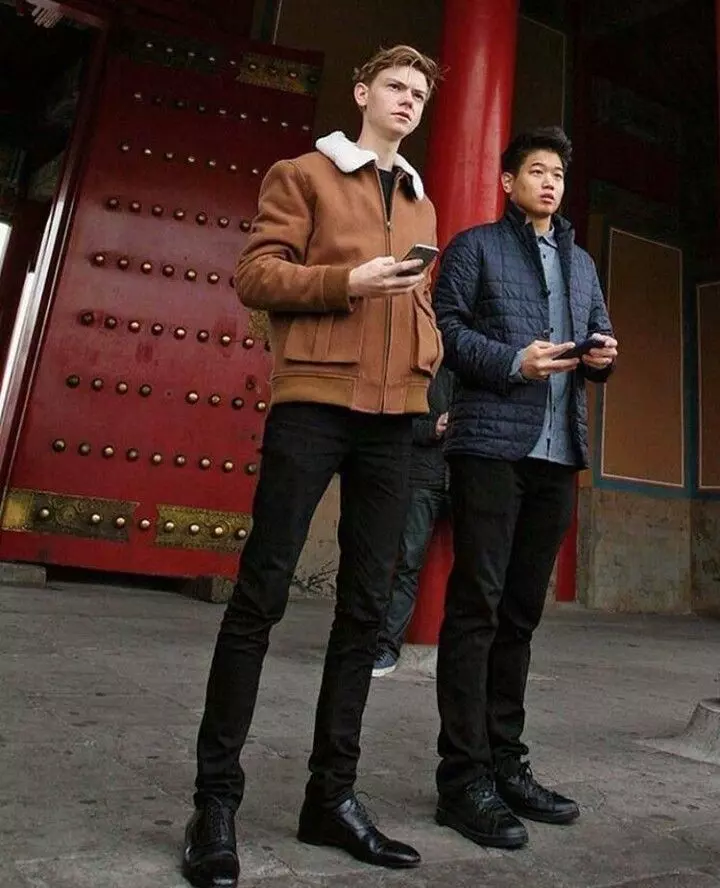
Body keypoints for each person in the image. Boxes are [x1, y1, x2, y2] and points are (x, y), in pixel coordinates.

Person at [182, 45, 442, 888]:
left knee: (365, 611)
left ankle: (331, 798)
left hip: (394, 419)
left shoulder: (421, 200)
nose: (407, 100)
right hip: (315, 402)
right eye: (395, 87)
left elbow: (420, 302)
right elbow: (256, 276)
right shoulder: (304, 174)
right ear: (362, 92)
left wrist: (429, 361)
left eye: (419, 93)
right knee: (260, 596)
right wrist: (346, 282)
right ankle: (214, 804)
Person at [432, 126, 618, 851]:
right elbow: (446, 331)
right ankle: (463, 778)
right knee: (476, 606)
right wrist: (515, 361)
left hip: (557, 453)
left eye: (558, 175)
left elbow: (597, 334)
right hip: (490, 445)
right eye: (536, 172)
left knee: (520, 614)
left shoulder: (582, 264)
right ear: (508, 182)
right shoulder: (474, 247)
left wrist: (601, 357)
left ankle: (507, 763)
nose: (549, 183)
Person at [372, 363, 454, 677]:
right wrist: (433, 428)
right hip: (423, 479)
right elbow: (399, 424)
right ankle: (387, 648)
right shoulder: (423, 370)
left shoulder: (478, 371)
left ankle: (473, 653)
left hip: (466, 479)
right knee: (407, 564)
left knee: (479, 570)